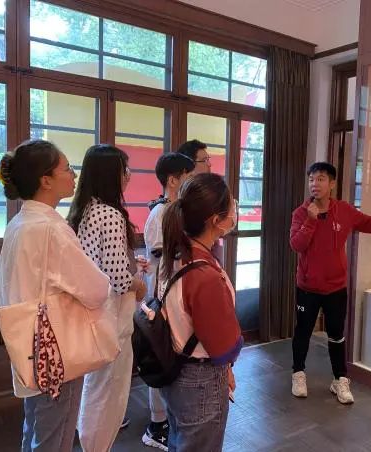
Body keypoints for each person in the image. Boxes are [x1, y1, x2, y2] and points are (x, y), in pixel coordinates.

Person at [0, 139, 110, 452]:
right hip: (55, 348)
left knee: (35, 426)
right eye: (67, 168)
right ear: (45, 180)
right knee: (55, 435)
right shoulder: (52, 228)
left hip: (28, 343)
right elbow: (96, 290)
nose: (73, 174)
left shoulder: (19, 223)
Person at [289, 162, 371, 404]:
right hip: (307, 287)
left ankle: (340, 379)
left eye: (320, 179)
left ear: (332, 184)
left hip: (336, 288)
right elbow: (297, 245)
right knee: (303, 332)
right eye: (312, 179)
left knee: (337, 334)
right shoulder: (301, 213)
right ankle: (298, 374)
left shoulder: (344, 211)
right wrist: (310, 220)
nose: (315, 184)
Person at [67, 144, 147, 452]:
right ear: (110, 175)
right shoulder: (111, 214)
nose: (128, 176)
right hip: (112, 316)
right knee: (109, 392)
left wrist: (129, 266)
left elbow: (99, 264)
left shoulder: (84, 210)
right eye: (124, 170)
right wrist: (138, 283)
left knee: (95, 387)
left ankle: (91, 442)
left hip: (92, 313)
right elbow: (118, 278)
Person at [158, 173, 242, 452]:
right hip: (200, 382)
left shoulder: (176, 255)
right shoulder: (204, 275)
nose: (234, 211)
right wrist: (227, 363)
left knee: (180, 441)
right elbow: (222, 344)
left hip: (177, 371)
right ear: (216, 220)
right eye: (231, 206)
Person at [141, 153, 195, 450]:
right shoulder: (160, 213)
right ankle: (156, 424)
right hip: (161, 295)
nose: (192, 180)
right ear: (173, 180)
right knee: (160, 357)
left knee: (173, 356)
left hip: (175, 293)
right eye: (188, 175)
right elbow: (162, 254)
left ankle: (169, 419)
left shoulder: (176, 210)